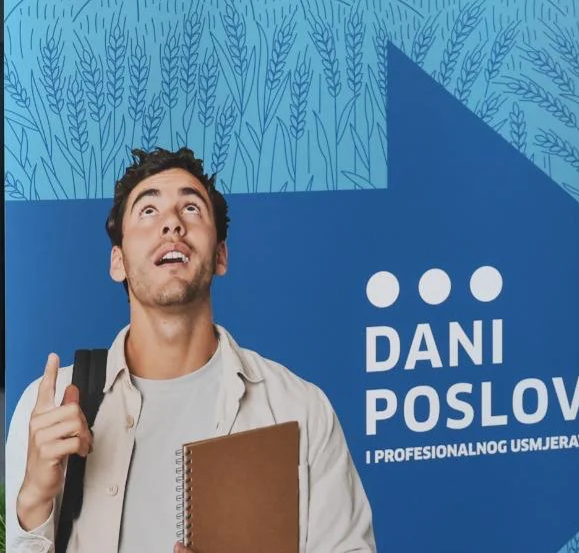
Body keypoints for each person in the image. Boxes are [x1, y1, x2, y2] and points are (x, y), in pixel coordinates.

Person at [4, 147, 377, 553]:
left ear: (220, 255)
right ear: (118, 262)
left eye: (192, 209)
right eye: (148, 211)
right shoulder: (49, 412)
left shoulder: (300, 409)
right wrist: (33, 499)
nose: (172, 224)